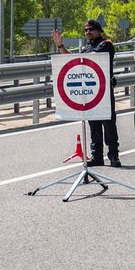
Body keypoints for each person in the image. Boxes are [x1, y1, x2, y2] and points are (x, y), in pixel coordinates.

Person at [51, 20, 121, 167]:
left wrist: (81, 57)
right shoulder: (85, 48)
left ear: (99, 30)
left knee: (109, 125)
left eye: (91, 29)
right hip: (90, 93)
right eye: (86, 30)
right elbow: (73, 60)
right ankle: (97, 157)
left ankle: (114, 156)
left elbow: (92, 59)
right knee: (93, 125)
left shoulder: (106, 44)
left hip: (104, 91)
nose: (88, 32)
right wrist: (60, 45)